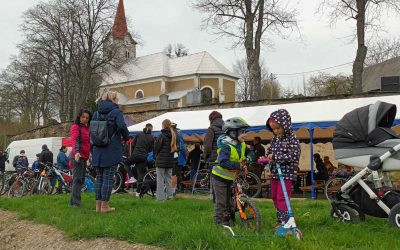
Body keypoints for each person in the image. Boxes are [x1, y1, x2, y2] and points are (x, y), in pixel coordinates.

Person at [91, 91, 129, 212]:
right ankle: (105, 206)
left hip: (97, 150)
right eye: (117, 99)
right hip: (111, 150)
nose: (118, 101)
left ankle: (97, 207)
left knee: (99, 179)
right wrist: (127, 137)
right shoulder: (116, 112)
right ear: (113, 100)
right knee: (108, 178)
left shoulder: (96, 113)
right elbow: (122, 126)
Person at [264, 109, 301, 229]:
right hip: (275, 172)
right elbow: (270, 152)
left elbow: (294, 155)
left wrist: (276, 157)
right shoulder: (274, 139)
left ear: (285, 124)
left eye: (278, 128)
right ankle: (281, 220)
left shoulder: (293, 138)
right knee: (274, 197)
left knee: (282, 197)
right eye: (273, 129)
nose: (275, 131)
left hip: (287, 173)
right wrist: (266, 157)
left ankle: (287, 222)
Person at [212, 117, 249, 226]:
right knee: (222, 202)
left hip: (230, 178)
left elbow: (248, 153)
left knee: (230, 201)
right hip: (219, 178)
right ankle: (218, 224)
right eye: (242, 132)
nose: (245, 135)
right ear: (232, 133)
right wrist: (239, 166)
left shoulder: (241, 144)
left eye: (245, 132)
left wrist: (248, 160)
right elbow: (223, 162)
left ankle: (228, 220)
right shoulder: (226, 146)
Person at [69, 109, 92, 207]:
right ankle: (76, 203)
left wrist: (90, 153)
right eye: (83, 117)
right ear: (79, 117)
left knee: (80, 180)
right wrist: (77, 152)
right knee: (77, 180)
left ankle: (72, 201)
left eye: (87, 118)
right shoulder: (75, 127)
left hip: (84, 157)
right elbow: (75, 140)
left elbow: (88, 142)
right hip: (77, 156)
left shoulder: (87, 128)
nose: (85, 119)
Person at [125, 123, 154, 194]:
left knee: (126, 163)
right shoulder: (152, 137)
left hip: (136, 154)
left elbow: (133, 144)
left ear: (145, 127)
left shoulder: (139, 134)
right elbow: (150, 149)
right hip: (144, 157)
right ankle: (138, 192)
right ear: (151, 129)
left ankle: (131, 177)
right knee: (140, 174)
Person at [154, 119, 177, 201]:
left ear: (163, 125)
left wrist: (155, 156)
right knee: (168, 179)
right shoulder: (173, 135)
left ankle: (160, 198)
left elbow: (157, 148)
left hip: (161, 161)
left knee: (160, 180)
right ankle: (170, 197)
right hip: (170, 160)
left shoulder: (162, 135)